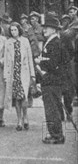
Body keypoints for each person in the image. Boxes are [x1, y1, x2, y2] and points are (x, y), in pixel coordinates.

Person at [35, 13, 68, 144]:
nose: (44, 30)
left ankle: (57, 135)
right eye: (44, 27)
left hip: (52, 81)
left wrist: (39, 62)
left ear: (54, 29)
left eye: (47, 27)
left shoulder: (55, 43)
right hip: (50, 80)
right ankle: (54, 132)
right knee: (51, 108)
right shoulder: (52, 42)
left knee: (52, 109)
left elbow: (53, 63)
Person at [4, 22, 36, 130]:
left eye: (15, 30)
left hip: (24, 72)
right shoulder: (8, 43)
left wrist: (32, 74)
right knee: (17, 98)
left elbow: (30, 58)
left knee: (24, 96)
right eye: (12, 30)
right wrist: (5, 75)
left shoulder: (25, 41)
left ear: (19, 30)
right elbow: (6, 60)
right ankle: (18, 120)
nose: (13, 32)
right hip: (14, 73)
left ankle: (25, 117)